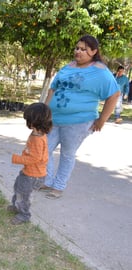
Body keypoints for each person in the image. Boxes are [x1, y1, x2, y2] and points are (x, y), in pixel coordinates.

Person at [42, 34, 120, 199]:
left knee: (67, 154)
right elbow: (52, 89)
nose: (78, 51)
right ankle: (46, 180)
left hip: (78, 122)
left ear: (94, 51)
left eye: (84, 49)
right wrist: (45, 112)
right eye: (77, 48)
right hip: (54, 119)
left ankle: (58, 186)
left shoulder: (100, 71)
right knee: (44, 149)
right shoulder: (67, 67)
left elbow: (114, 95)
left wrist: (102, 120)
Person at [7, 103, 53, 225]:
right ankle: (16, 206)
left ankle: (24, 215)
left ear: (35, 121)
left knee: (24, 194)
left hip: (33, 176)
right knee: (18, 187)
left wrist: (17, 159)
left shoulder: (38, 138)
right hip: (29, 172)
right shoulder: (37, 133)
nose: (26, 122)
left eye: (28, 119)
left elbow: (35, 158)